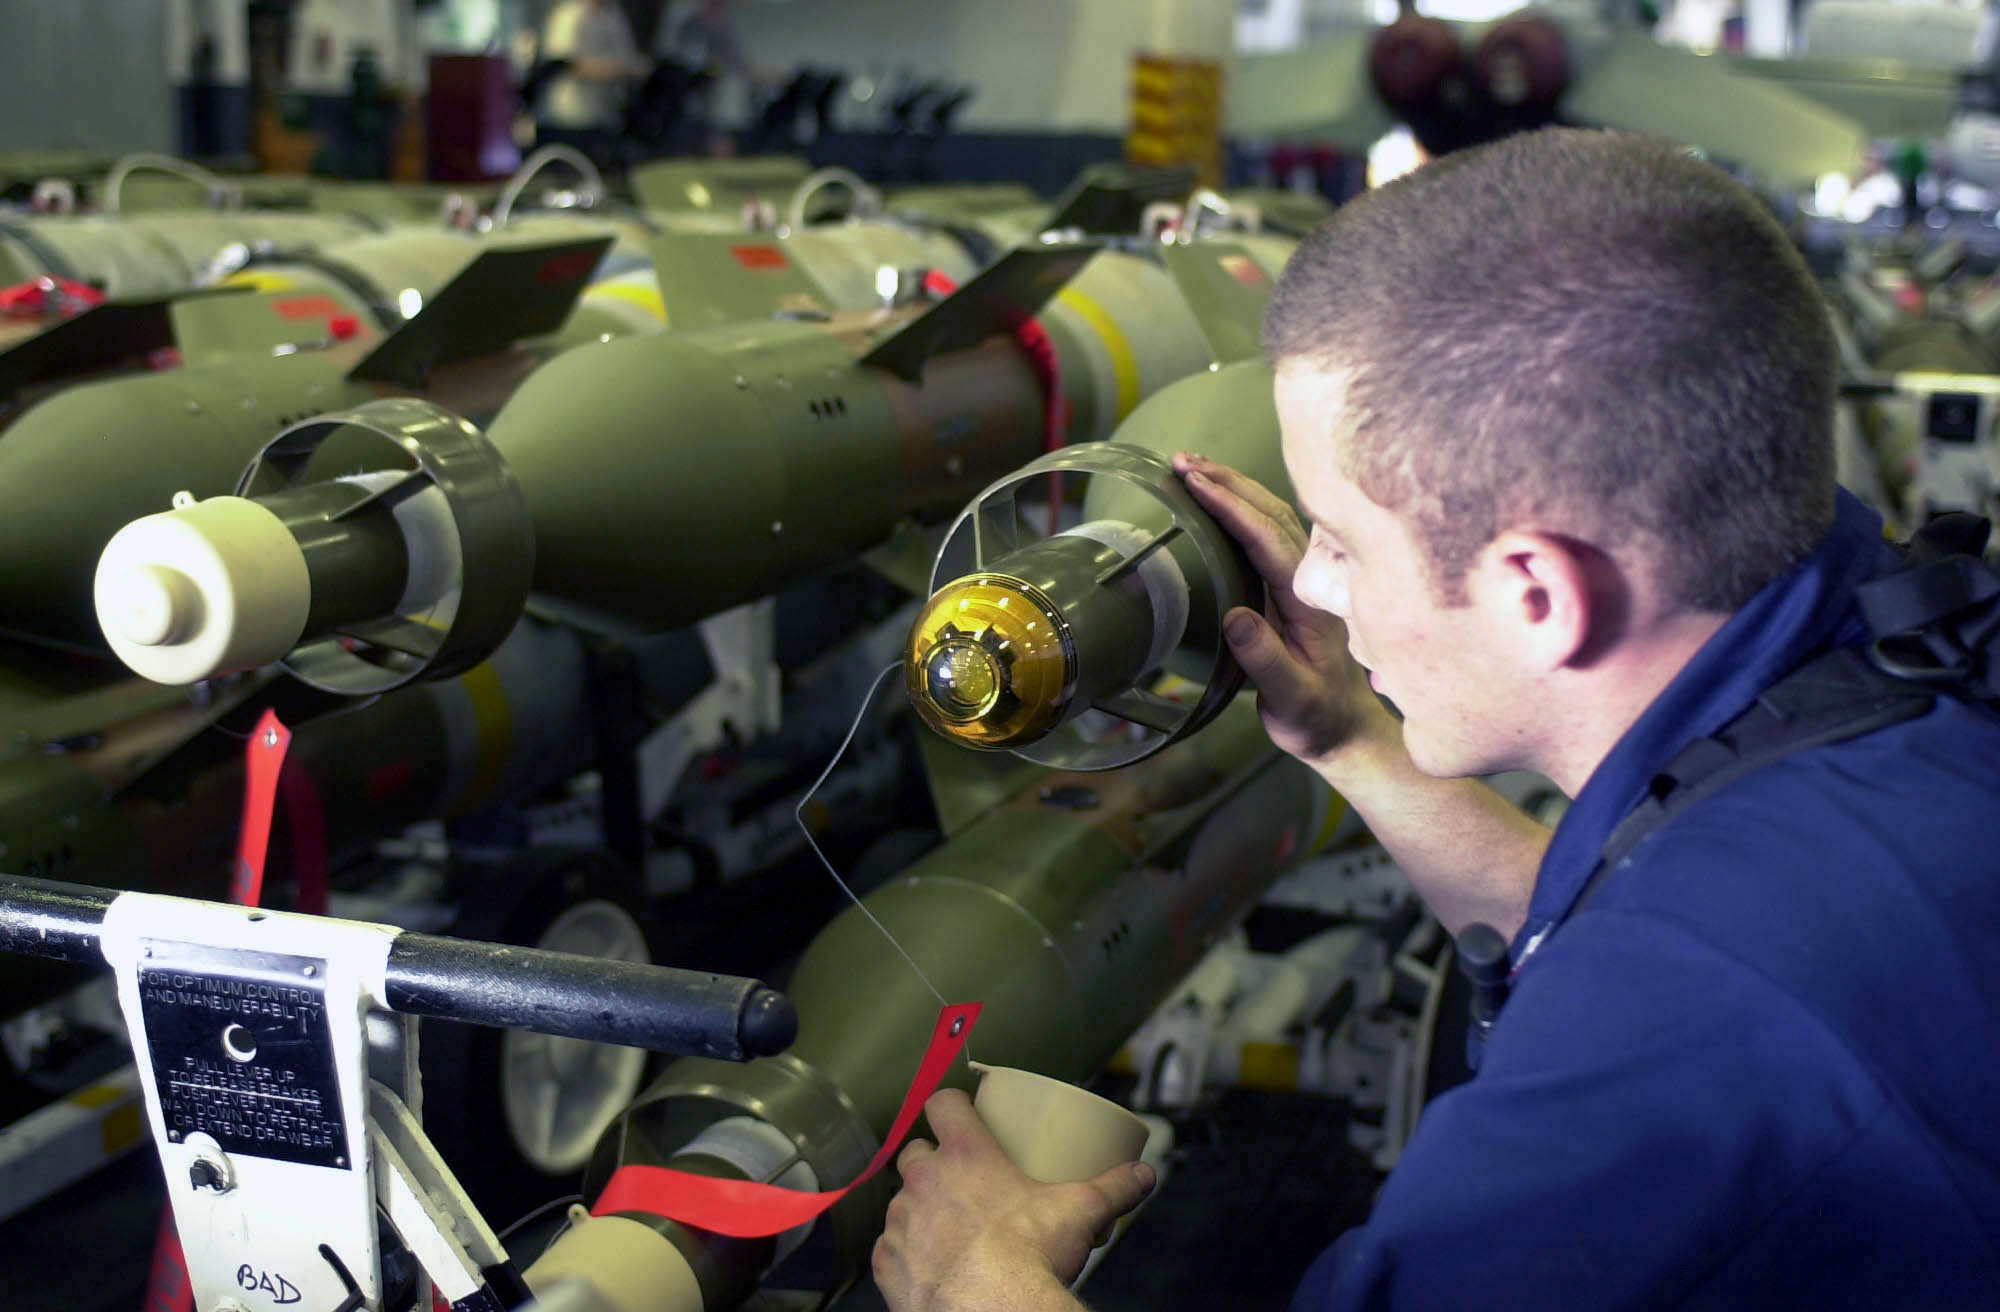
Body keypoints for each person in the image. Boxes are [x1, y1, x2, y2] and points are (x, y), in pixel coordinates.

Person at [872, 128, 2000, 1309]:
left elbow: (1688, 999)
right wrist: (1350, 738)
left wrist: (973, 1281)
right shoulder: (1897, 643)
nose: (1312, 585)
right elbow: (1634, 916)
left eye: (1341, 541)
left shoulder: (1669, 1045)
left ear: (1536, 595)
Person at [536, 0, 646, 161]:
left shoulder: (614, 13)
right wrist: (619, 69)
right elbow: (564, 65)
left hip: (606, 118)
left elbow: (627, 56)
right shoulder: (569, 15)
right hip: (570, 119)